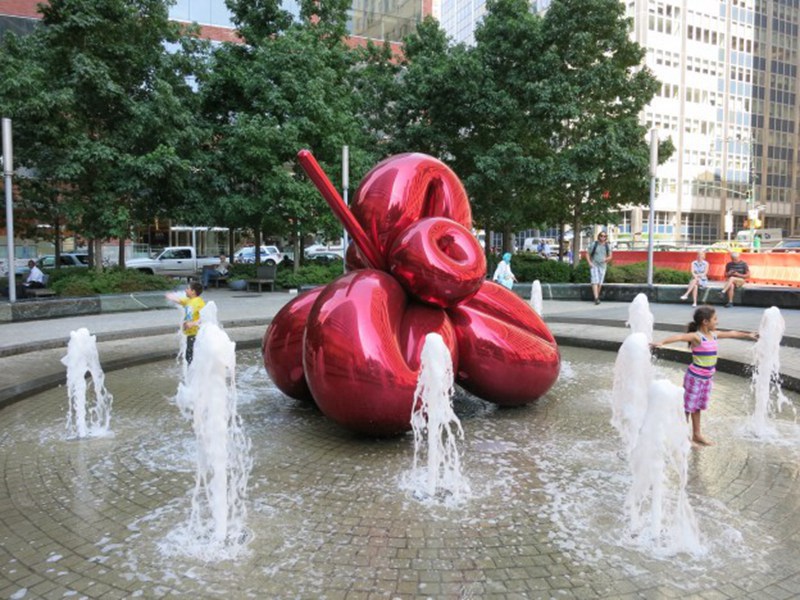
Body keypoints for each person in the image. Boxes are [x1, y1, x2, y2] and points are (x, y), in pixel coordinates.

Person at [651, 305, 758, 446]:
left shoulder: (713, 335)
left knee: (697, 407)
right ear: (705, 322)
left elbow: (731, 333)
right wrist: (662, 342)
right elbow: (680, 337)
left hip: (706, 379)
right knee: (687, 407)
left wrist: (748, 335)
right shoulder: (697, 337)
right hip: (695, 378)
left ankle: (696, 435)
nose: (717, 322)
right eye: (715, 319)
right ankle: (682, 436)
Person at [166, 282, 205, 364]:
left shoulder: (196, 303)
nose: (185, 290)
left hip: (196, 334)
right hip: (191, 334)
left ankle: (193, 374)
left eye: (187, 288)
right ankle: (192, 373)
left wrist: (192, 324)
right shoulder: (189, 300)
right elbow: (180, 301)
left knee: (191, 358)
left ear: (193, 292)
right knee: (190, 357)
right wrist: (170, 297)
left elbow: (205, 318)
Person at [588, 231, 612, 305]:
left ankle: (597, 297)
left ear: (606, 237)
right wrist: (590, 263)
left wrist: (606, 259)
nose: (603, 237)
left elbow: (610, 256)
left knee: (600, 282)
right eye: (601, 236)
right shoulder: (594, 244)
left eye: (604, 236)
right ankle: (596, 298)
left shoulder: (608, 246)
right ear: (599, 236)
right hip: (594, 265)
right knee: (595, 281)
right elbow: (587, 254)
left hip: (603, 266)